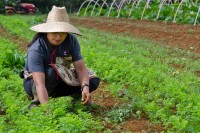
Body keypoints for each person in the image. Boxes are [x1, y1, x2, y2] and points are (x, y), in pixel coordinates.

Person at [22, 5, 100, 108]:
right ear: (47, 31)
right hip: (36, 84)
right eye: (55, 33)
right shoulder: (36, 49)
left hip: (61, 78)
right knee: (52, 72)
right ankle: (38, 103)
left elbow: (80, 68)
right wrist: (46, 109)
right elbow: (39, 83)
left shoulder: (71, 40)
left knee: (92, 80)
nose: (59, 37)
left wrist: (85, 87)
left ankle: (79, 96)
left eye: (63, 33)